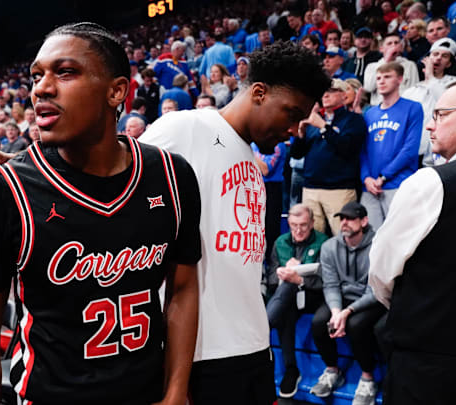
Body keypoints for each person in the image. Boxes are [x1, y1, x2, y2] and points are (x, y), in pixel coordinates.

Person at [0, 22, 201, 405]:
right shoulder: (5, 190)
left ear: (117, 91)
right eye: (36, 75)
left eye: (65, 72)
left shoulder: (173, 176)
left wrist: (174, 393)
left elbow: (183, 290)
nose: (41, 88)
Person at [139, 40, 331, 405]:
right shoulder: (185, 128)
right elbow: (107, 172)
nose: (293, 129)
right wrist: (27, 166)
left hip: (253, 345)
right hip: (199, 353)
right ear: (259, 92)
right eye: (290, 114)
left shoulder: (252, 163)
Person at [369, 79, 456, 404]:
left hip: (429, 359)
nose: (430, 123)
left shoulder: (431, 183)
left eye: (440, 114)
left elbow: (381, 273)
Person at [309, 202, 385, 405]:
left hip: (372, 298)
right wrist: (336, 312)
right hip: (342, 297)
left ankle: (368, 378)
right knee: (319, 322)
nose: (344, 223)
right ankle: (332, 370)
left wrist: (347, 312)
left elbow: (376, 290)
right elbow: (331, 284)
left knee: (356, 325)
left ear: (364, 221)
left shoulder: (379, 245)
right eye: (342, 219)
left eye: (350, 218)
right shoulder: (330, 247)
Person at [265, 204, 328, 398]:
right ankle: (291, 370)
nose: (298, 230)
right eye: (293, 225)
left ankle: (264, 327)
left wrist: (300, 278)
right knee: (287, 306)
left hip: (314, 296)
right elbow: (271, 278)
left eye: (303, 225)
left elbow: (328, 281)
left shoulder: (324, 243)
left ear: (312, 223)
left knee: (289, 288)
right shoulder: (281, 242)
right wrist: (281, 273)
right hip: (288, 298)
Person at [293, 79, 367, 235]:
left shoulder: (354, 120)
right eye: (323, 91)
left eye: (331, 91)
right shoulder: (313, 120)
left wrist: (323, 127)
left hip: (339, 189)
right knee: (311, 238)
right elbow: (296, 154)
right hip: (310, 188)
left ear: (343, 95)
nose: (325, 95)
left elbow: (347, 148)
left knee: (344, 235)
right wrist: (300, 135)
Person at [361, 62, 422, 230]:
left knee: (399, 236)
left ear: (400, 79)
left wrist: (383, 177)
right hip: (370, 187)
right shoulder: (370, 113)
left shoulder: (413, 108)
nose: (381, 81)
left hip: (397, 183)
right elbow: (363, 150)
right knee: (372, 240)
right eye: (379, 77)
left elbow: (410, 149)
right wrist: (366, 177)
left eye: (387, 77)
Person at [363, 32, 420, 106]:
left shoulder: (410, 65)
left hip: (403, 107)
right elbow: (368, 88)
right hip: (379, 107)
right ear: (381, 49)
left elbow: (414, 90)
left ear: (401, 47)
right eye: (389, 43)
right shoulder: (372, 66)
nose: (393, 45)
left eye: (396, 43)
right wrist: (386, 61)